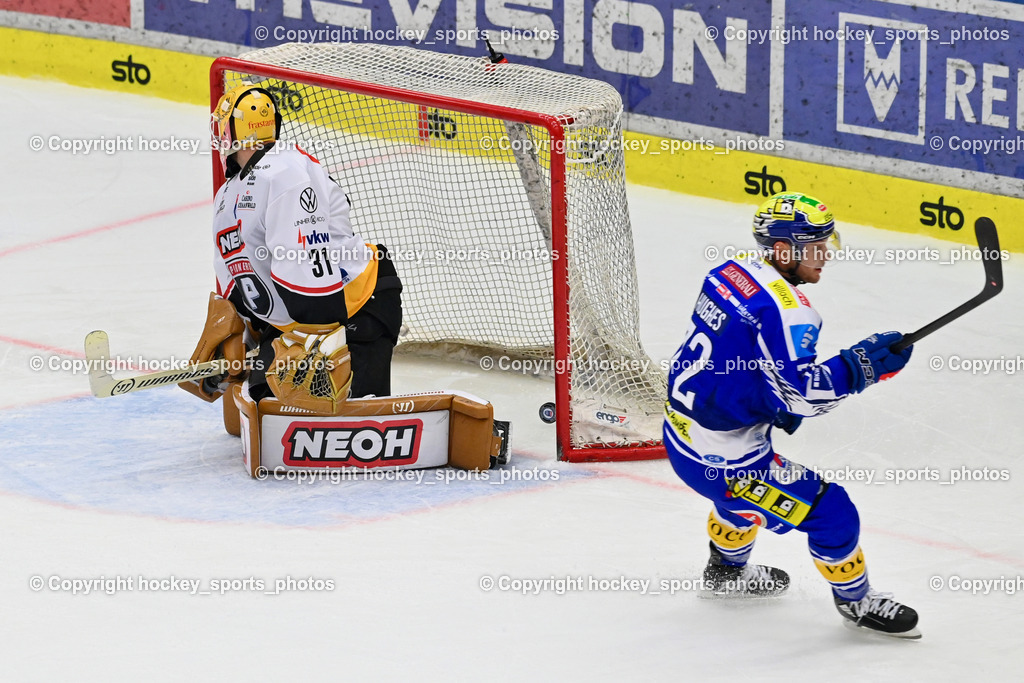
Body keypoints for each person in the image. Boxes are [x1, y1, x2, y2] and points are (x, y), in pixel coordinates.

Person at [664, 192, 919, 638]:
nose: (825, 258)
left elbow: (733, 353)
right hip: (724, 462)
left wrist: (766, 400)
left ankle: (726, 573)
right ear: (784, 251)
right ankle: (856, 603)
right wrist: (860, 367)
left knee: (741, 503)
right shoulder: (791, 311)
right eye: (816, 249)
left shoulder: (729, 273)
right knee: (834, 513)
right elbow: (804, 396)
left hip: (680, 433)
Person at [179, 83, 402, 428]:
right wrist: (234, 341)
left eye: (222, 127)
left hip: (356, 310)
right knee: (259, 417)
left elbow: (308, 274)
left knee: (334, 425)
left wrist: (311, 345)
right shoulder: (226, 197)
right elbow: (240, 280)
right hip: (301, 321)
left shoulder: (287, 172)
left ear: (235, 131)